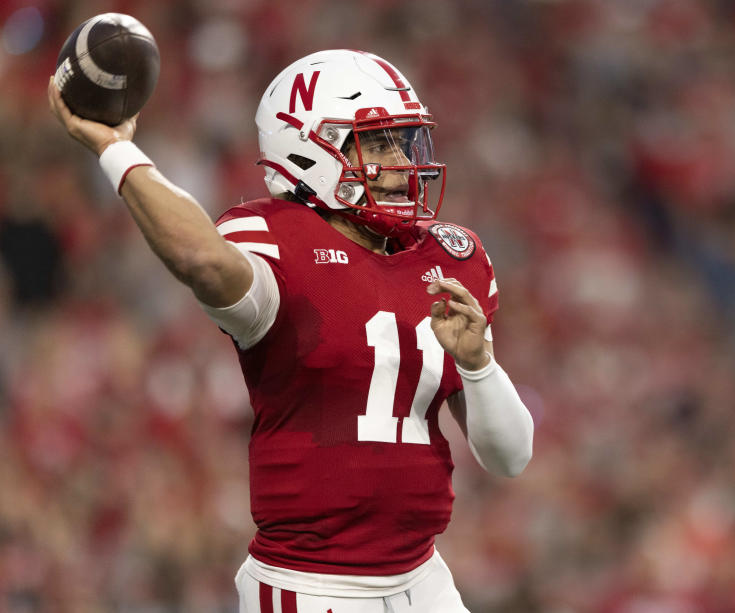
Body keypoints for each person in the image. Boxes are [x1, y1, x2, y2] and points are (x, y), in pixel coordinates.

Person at [48, 49, 534, 613]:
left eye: (405, 142)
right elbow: (201, 260)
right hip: (313, 586)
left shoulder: (449, 257)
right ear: (306, 148)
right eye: (378, 143)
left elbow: (510, 458)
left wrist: (479, 365)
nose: (402, 163)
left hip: (425, 576)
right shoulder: (274, 243)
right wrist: (116, 148)